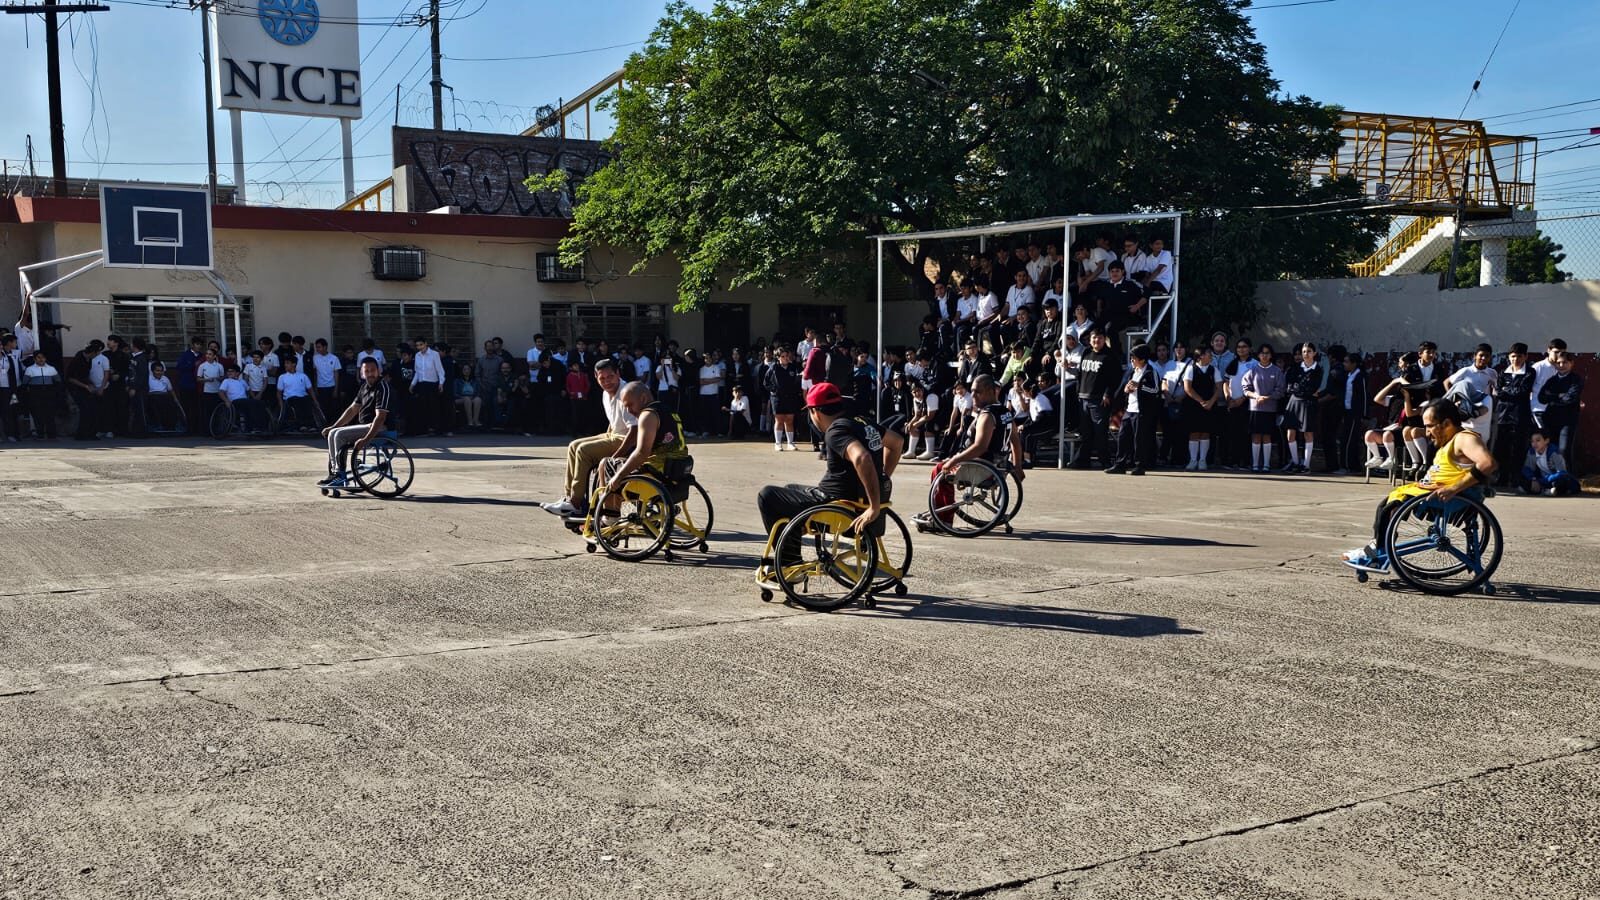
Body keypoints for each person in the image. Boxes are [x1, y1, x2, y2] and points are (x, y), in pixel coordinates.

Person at [1343, 399, 1497, 570]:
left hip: (1450, 497)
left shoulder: (1464, 439)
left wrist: (1454, 488)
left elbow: (1488, 463)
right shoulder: (1450, 440)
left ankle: (1377, 553)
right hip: (1431, 492)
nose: (1428, 432)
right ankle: (1378, 547)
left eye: (1430, 426)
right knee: (1387, 504)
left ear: (1446, 423)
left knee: (1390, 507)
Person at [757, 383, 890, 563]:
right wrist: (882, 478)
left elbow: (862, 457)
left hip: (836, 504)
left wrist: (874, 507)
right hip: (853, 499)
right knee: (790, 489)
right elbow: (896, 442)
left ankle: (789, 561)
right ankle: (792, 546)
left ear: (815, 412)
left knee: (767, 495)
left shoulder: (835, 431)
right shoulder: (862, 422)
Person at [540, 360, 637, 518]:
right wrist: (603, 439)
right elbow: (614, 423)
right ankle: (569, 498)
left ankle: (576, 502)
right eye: (602, 378)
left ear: (618, 374)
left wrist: (617, 454)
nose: (607, 381)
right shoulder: (606, 393)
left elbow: (635, 429)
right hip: (614, 433)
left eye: (610, 376)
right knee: (573, 445)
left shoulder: (627, 392)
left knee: (584, 451)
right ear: (595, 377)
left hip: (629, 438)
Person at [599, 382, 690, 498]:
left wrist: (618, 477)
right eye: (625, 407)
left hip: (657, 475)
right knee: (624, 461)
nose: (628, 411)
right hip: (677, 471)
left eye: (630, 405)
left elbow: (641, 453)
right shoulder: (668, 410)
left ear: (643, 398)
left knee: (605, 464)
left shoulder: (647, 415)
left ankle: (610, 514)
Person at [319, 358, 392, 489]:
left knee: (339, 435)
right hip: (365, 426)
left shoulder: (382, 387)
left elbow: (380, 418)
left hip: (380, 427)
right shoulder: (364, 387)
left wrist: (365, 440)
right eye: (366, 371)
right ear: (362, 373)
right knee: (333, 433)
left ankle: (339, 475)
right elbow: (352, 410)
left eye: (373, 370)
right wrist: (333, 426)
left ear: (379, 371)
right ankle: (335, 473)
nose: (370, 373)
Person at [1070, 329, 1119, 469]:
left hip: (1099, 400)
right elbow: (1080, 374)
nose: (1096, 341)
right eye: (1093, 338)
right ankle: (1082, 460)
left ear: (1104, 339)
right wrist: (1078, 391)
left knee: (1100, 432)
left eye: (1099, 338)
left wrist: (1107, 394)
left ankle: (1105, 461)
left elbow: (1115, 379)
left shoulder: (1109, 356)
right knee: (1086, 432)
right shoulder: (1086, 352)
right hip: (1083, 397)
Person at [1109, 344, 1161, 475]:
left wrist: (1139, 386)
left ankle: (1140, 465)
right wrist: (1127, 390)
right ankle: (1120, 464)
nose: (1132, 360)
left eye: (1134, 358)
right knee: (1122, 437)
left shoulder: (1150, 372)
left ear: (1142, 359)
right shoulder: (1133, 371)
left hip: (1142, 411)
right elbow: (1127, 388)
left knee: (1140, 439)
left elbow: (1155, 389)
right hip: (1130, 409)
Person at [1492, 343, 1535, 486]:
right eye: (1513, 356)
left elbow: (1523, 391)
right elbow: (1499, 392)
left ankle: (1516, 477)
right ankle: (1502, 477)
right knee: (1501, 447)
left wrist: (1507, 390)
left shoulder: (1530, 372)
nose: (1515, 359)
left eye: (1519, 356)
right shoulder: (1502, 372)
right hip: (1503, 415)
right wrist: (1510, 391)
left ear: (1525, 357)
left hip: (1520, 414)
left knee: (1518, 447)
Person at [1240, 344, 1284, 473]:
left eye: (1267, 353)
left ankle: (1266, 464)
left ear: (1271, 355)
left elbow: (1280, 390)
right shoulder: (1252, 370)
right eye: (1262, 353)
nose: (1264, 355)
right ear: (1258, 355)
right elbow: (1245, 388)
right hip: (1255, 408)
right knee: (1256, 436)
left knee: (1267, 436)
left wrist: (1268, 397)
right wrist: (1255, 396)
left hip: (1270, 409)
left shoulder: (1276, 371)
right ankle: (1255, 464)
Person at [1282, 342, 1323, 474]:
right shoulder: (1295, 368)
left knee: (1308, 433)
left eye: (1309, 351)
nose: (1306, 354)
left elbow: (1314, 388)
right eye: (1304, 351)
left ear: (1314, 353)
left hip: (1308, 403)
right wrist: (1300, 389)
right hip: (1294, 402)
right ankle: (1295, 462)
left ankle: (1306, 465)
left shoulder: (1318, 369)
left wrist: (1302, 389)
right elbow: (1290, 386)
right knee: (1290, 433)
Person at [1536, 350, 1583, 464]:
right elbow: (1541, 398)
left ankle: (1566, 479)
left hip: (1568, 420)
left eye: (1565, 362)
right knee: (1551, 450)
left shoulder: (1576, 379)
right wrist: (1559, 395)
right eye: (1558, 363)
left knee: (1564, 450)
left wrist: (1552, 397)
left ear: (1571, 363)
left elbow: (1569, 398)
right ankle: (1553, 479)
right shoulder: (1552, 380)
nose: (1561, 366)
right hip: (1550, 420)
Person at [1180, 343, 1222, 471]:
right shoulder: (1191, 369)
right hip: (1193, 404)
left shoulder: (1214, 370)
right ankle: (1193, 460)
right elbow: (1187, 388)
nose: (1211, 356)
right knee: (1194, 432)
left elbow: (1219, 388)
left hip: (1210, 405)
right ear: (1201, 356)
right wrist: (1201, 401)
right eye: (1209, 354)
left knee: (1205, 432)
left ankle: (1202, 460)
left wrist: (1211, 402)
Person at [276, 356, 320, 432]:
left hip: (303, 398)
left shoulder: (303, 376)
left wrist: (315, 401)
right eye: (285, 363)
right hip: (290, 399)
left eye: (288, 363)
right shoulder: (282, 377)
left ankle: (311, 425)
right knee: (297, 400)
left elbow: (310, 390)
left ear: (294, 364)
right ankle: (302, 425)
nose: (285, 365)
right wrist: (281, 405)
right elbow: (279, 393)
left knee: (307, 400)